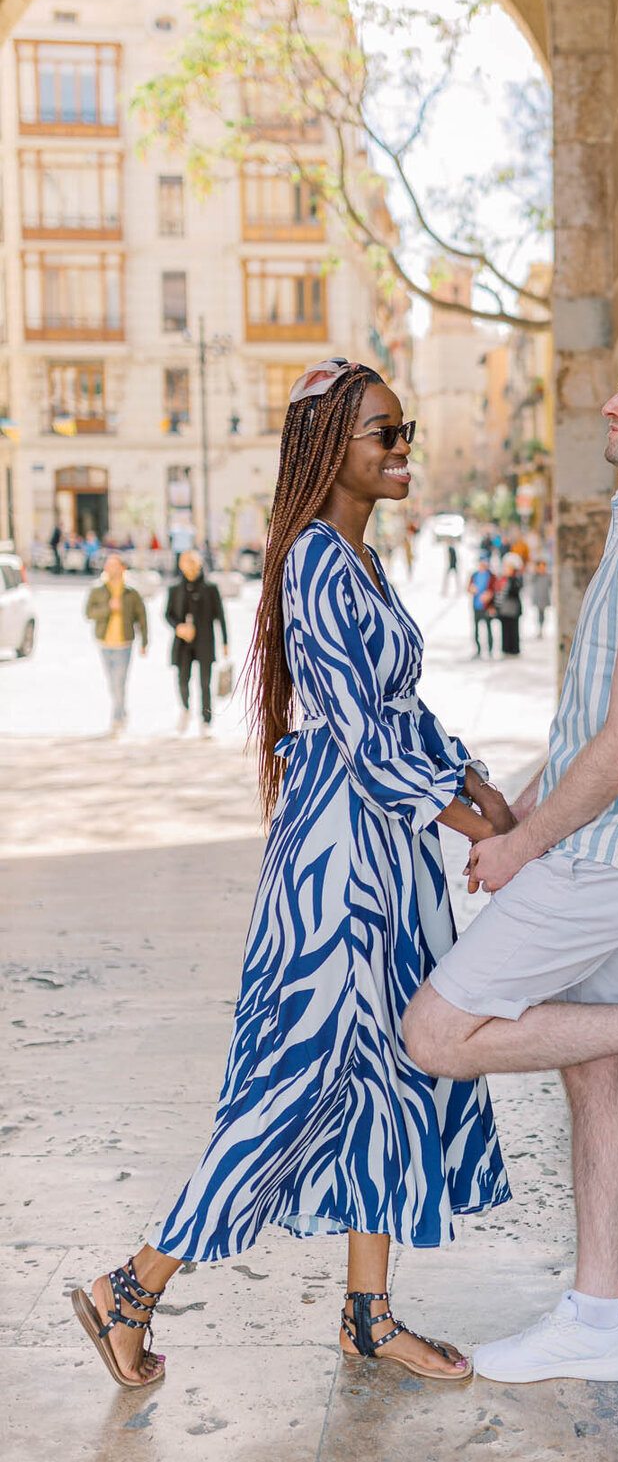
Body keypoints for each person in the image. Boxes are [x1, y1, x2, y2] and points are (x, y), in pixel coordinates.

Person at [71, 357, 515, 1390]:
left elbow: (402, 715)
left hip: (386, 858)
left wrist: (480, 787)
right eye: (384, 435)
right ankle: (127, 1288)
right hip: (340, 871)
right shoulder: (316, 560)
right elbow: (363, 737)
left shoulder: (355, 561)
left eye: (406, 433)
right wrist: (475, 820)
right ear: (331, 450)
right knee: (297, 1084)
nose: (404, 450)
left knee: (393, 1074)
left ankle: (369, 1315)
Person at [402, 326, 618, 1385]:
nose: (612, 404)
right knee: (589, 1062)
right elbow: (593, 721)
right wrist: (518, 811)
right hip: (593, 843)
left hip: (607, 859)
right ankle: (599, 1318)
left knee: (436, 1033)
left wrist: (525, 849)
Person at [166, 549, 228, 737]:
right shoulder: (175, 588)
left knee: (205, 682)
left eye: (193, 562)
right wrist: (179, 627)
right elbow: (167, 614)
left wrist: (225, 642)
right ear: (181, 565)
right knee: (182, 679)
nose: (190, 566)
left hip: (205, 641)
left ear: (200, 564)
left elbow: (220, 616)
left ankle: (206, 720)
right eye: (186, 562)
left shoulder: (210, 588)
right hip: (183, 643)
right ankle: (185, 709)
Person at [85, 553, 148, 736]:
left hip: (124, 643)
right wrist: (108, 609)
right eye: (108, 564)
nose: (111, 568)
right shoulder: (98, 589)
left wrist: (145, 641)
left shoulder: (131, 591)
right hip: (104, 642)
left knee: (119, 683)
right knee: (112, 683)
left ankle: (117, 719)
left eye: (115, 564)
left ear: (122, 568)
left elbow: (141, 617)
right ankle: (122, 711)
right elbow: (88, 613)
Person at [495, 553, 523, 657]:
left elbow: (515, 591)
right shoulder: (502, 578)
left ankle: (514, 650)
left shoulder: (516, 579)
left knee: (514, 630)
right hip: (504, 609)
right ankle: (506, 649)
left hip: (513, 609)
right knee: (505, 631)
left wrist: (511, 579)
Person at [470, 551, 497, 658]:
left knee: (488, 628)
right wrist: (471, 589)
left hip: (487, 606)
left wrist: (490, 595)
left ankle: (490, 650)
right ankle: (478, 650)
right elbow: (469, 587)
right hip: (476, 606)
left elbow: (495, 589)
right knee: (476, 629)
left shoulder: (491, 576)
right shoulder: (475, 575)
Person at [528, 559, 551, 637]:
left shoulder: (548, 576)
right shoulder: (536, 576)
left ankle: (541, 629)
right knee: (539, 614)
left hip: (544, 597)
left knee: (542, 614)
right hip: (538, 598)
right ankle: (539, 629)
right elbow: (530, 580)